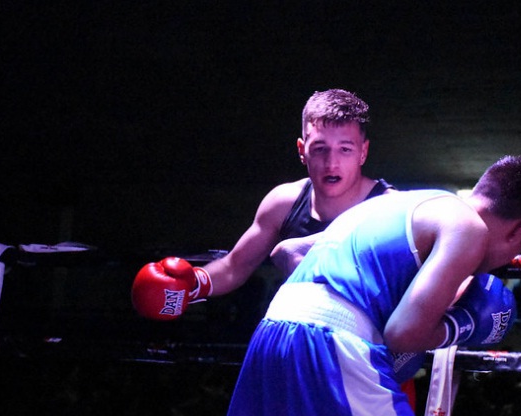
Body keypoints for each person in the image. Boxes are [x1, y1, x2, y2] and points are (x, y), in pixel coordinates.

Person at [209, 155, 521, 416]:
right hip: (332, 347)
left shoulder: (396, 203)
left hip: (273, 333)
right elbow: (403, 334)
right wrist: (463, 325)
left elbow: (287, 252)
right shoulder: (469, 228)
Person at [130, 89, 393, 322]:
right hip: (302, 343)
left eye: (345, 149)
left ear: (363, 152)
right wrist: (193, 285)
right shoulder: (284, 203)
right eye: (320, 148)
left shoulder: (390, 209)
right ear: (302, 150)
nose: (331, 163)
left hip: (372, 355)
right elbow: (236, 266)